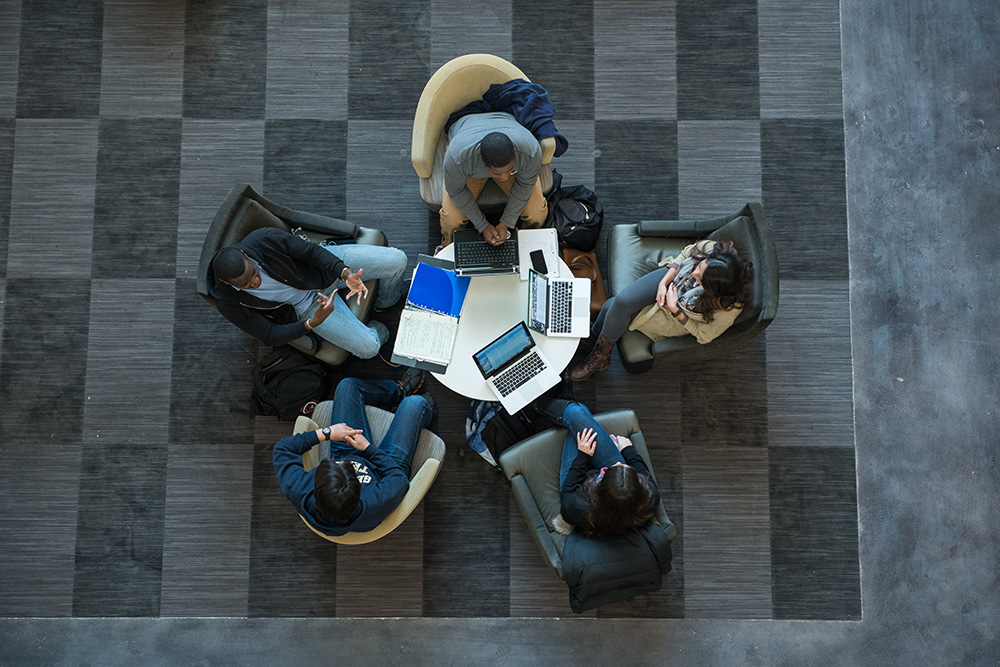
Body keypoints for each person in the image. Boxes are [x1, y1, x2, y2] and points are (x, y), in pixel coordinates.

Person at [272, 369, 434, 536]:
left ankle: (399, 392)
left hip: (346, 450)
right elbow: (399, 478)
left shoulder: (299, 489)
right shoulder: (373, 503)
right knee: (415, 404)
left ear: (316, 487)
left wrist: (326, 433)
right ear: (358, 492)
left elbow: (283, 449)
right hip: (383, 470)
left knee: (347, 385)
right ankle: (428, 414)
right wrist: (368, 449)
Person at [206, 228, 407, 360]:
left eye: (254, 273)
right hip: (308, 309)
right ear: (227, 283)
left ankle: (387, 301)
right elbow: (269, 334)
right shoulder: (226, 300)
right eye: (245, 284)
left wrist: (344, 272)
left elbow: (312, 253)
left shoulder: (263, 239)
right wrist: (311, 323)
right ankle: (380, 329)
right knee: (369, 349)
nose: (255, 282)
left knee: (398, 259)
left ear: (245, 256)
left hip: (322, 271)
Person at [569, 239, 753, 381]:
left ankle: (598, 351)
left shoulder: (725, 310)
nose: (694, 273)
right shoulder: (712, 250)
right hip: (671, 280)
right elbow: (685, 254)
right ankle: (595, 341)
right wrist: (663, 284)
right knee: (620, 303)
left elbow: (704, 336)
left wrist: (676, 311)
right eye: (699, 266)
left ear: (713, 290)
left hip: (673, 313)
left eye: (700, 279)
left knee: (611, 306)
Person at [534, 394, 660, 537]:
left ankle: (534, 403)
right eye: (625, 467)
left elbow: (569, 490)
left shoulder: (577, 510)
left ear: (599, 482)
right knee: (577, 413)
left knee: (576, 412)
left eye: (616, 466)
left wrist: (583, 456)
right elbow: (643, 472)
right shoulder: (649, 497)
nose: (619, 462)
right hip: (610, 487)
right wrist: (628, 451)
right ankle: (564, 395)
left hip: (578, 482)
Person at [439, 112, 549, 246]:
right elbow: (456, 191)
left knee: (536, 213)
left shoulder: (530, 152)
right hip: (466, 134)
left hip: (507, 122)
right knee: (452, 219)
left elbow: (525, 184)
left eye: (510, 170)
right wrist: (482, 225)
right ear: (484, 165)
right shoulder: (457, 158)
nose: (505, 177)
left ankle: (528, 245)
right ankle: (448, 248)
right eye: (497, 174)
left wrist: (507, 222)